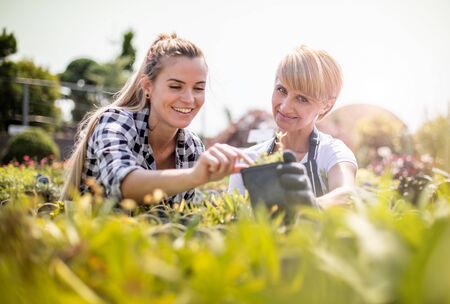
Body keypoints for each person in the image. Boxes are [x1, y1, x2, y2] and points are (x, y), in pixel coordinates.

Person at [62, 33, 252, 204]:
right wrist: (195, 175)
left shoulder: (192, 147)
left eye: (198, 88)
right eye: (175, 87)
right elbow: (123, 184)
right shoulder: (115, 122)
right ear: (147, 86)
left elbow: (180, 219)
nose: (189, 99)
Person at [229, 45, 357, 209]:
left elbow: (346, 193)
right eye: (281, 90)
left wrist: (311, 207)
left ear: (325, 106)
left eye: (302, 99)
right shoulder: (247, 160)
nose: (285, 107)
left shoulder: (331, 153)